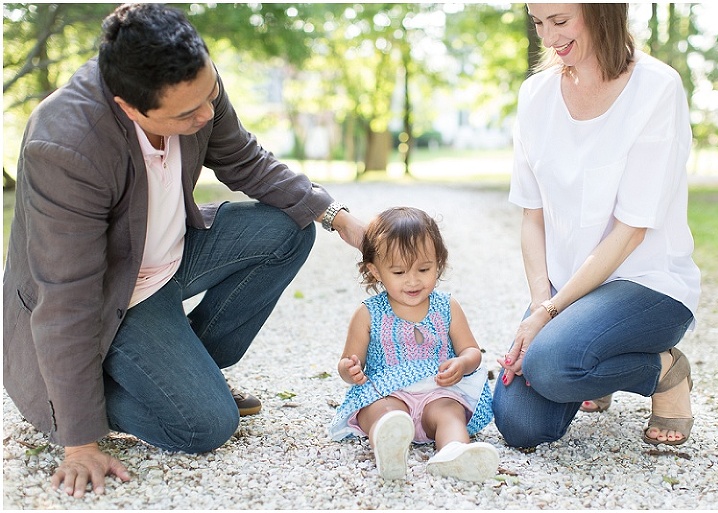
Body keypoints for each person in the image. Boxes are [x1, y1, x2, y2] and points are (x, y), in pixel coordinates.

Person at [3, 3, 365, 498]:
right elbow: (67, 299)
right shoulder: (65, 145)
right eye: (187, 114)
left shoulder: (194, 82)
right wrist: (79, 441)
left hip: (170, 257)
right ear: (128, 107)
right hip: (112, 298)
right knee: (206, 426)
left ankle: (186, 366)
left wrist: (341, 220)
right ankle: (80, 392)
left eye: (210, 94)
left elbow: (246, 160)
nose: (207, 114)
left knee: (288, 228)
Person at [493, 3, 701, 449]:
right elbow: (533, 215)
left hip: (646, 283)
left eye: (561, 22)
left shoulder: (657, 88)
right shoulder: (536, 96)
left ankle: (664, 371)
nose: (548, 39)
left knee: (550, 365)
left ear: (602, 12)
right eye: (538, 23)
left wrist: (548, 316)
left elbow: (631, 231)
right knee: (520, 425)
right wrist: (539, 302)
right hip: (566, 293)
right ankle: (589, 352)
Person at [329, 207, 499, 482]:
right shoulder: (367, 314)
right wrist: (351, 369)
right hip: (389, 392)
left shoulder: (447, 307)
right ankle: (389, 449)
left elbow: (471, 351)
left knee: (450, 413)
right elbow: (347, 363)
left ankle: (454, 452)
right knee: (384, 413)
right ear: (375, 271)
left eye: (424, 268)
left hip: (437, 391)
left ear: (438, 263)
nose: (413, 280)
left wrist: (462, 362)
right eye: (398, 271)